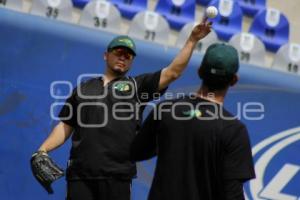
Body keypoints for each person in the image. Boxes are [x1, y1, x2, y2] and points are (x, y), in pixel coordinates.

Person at [35, 18, 212, 200]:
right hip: (80, 176)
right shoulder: (83, 89)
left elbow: (173, 72)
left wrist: (192, 40)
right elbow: (65, 126)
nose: (122, 57)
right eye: (119, 52)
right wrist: (43, 149)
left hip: (117, 176)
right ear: (106, 55)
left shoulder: (137, 87)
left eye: (128, 55)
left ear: (131, 61)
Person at [130, 43, 256, 200]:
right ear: (234, 80)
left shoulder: (165, 109)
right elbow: (233, 194)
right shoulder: (234, 130)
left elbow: (136, 152)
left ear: (199, 72)